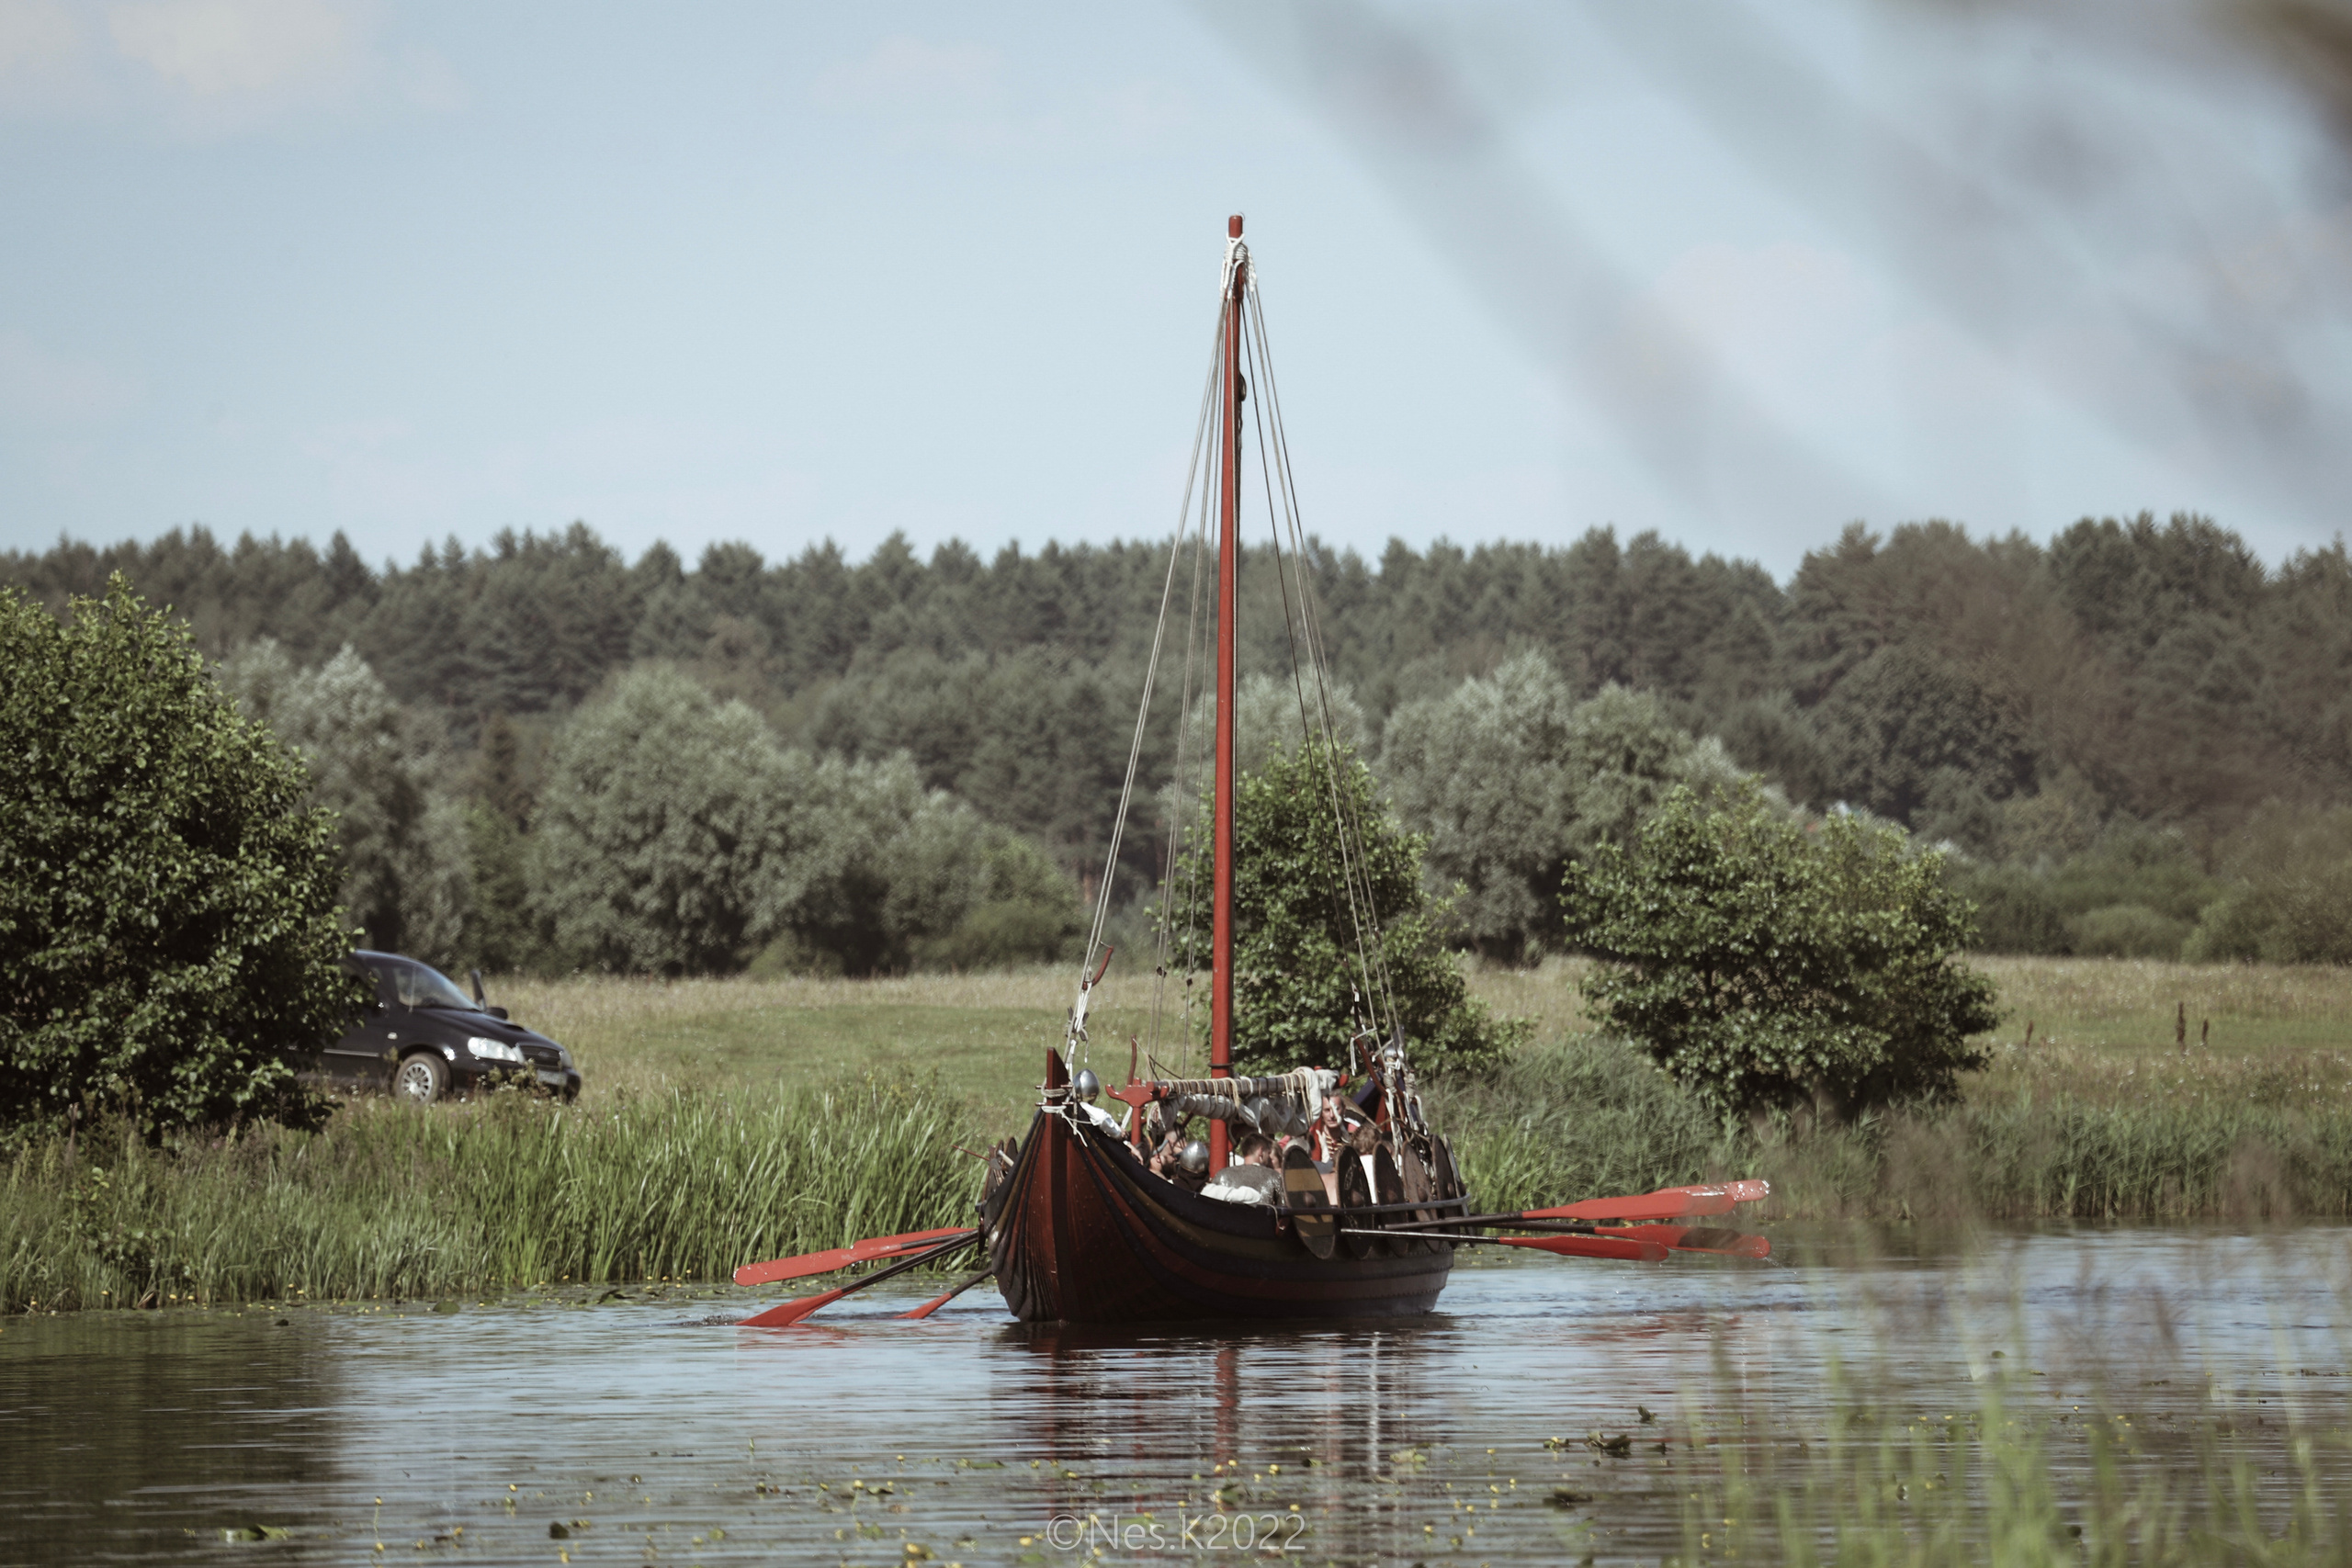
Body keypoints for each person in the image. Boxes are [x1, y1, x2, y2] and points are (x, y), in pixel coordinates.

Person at [1201, 1133, 1283, 1205]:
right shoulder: (1274, 1176)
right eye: (1268, 1153)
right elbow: (1284, 1211)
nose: (1268, 1158)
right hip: (1261, 1222)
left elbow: (1209, 1205)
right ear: (1261, 1151)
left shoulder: (1222, 1174)